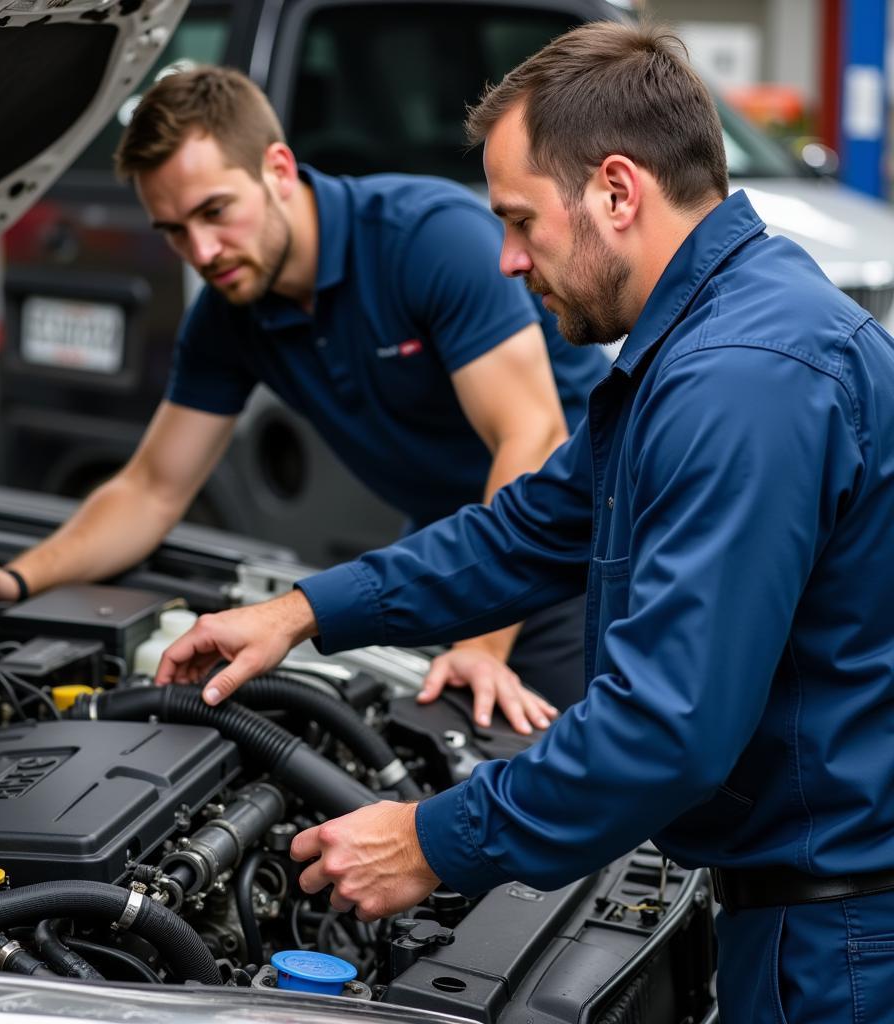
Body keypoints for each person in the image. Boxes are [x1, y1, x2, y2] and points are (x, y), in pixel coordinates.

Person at [153, 21, 894, 1024]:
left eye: (518, 221)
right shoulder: (700, 340)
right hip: (805, 912)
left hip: (837, 951)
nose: (504, 258)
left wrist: (430, 840)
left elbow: (665, 732)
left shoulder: (740, 383)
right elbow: (528, 529)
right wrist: (299, 612)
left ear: (617, 192)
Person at [0, 66, 609, 732]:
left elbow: (531, 435)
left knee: (561, 800)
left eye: (216, 212)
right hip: (445, 556)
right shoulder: (226, 314)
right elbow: (152, 488)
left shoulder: (426, 242)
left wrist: (482, 649)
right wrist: (17, 579)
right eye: (175, 231)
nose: (204, 251)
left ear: (277, 168)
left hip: (568, 548)